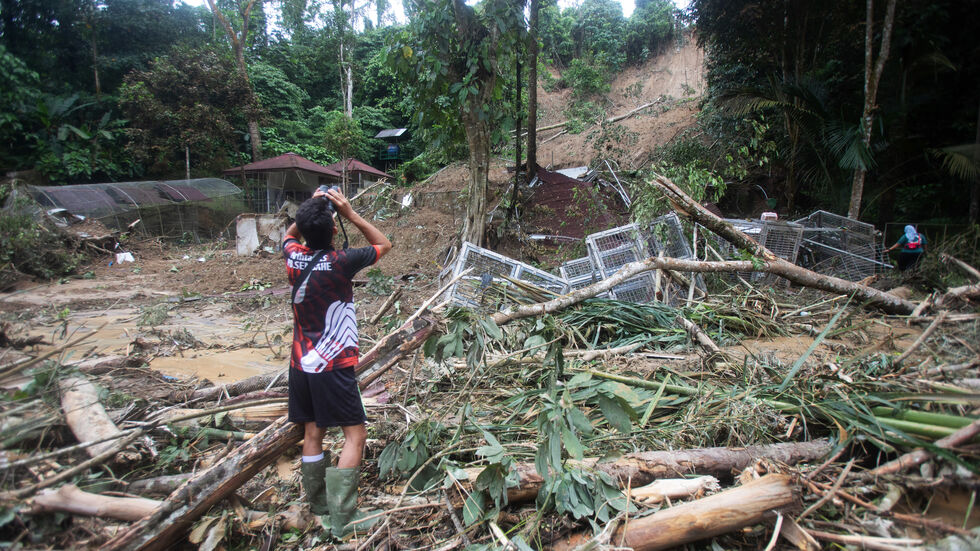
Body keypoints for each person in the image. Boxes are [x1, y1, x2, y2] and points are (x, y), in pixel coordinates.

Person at [283, 186, 391, 538]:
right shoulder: (341, 262)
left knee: (313, 431)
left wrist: (310, 210)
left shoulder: (292, 254)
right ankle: (343, 518)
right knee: (355, 435)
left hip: (300, 364)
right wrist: (349, 213)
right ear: (333, 230)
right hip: (333, 365)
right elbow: (384, 244)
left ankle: (318, 507)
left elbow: (289, 234)